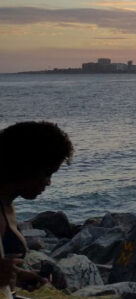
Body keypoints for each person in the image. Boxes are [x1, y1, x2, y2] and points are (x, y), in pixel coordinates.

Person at [0, 121, 74, 295]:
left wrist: (17, 277)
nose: (49, 182)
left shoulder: (7, 205)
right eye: (47, 173)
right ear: (26, 168)